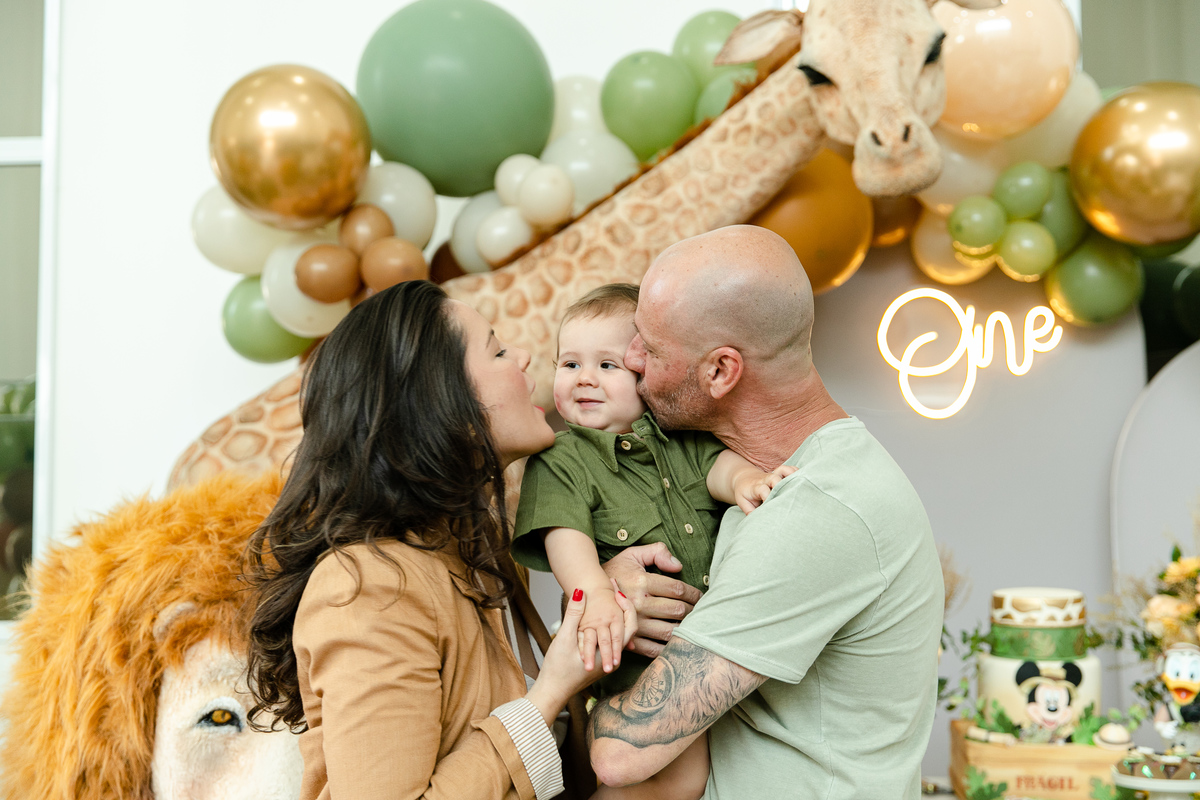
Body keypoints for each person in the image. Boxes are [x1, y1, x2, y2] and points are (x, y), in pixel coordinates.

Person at [588, 225, 945, 799]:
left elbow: (621, 753)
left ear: (720, 371)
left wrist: (596, 622)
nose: (629, 360)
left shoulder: (816, 508)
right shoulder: (751, 477)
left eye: (650, 349)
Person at [243, 279, 637, 800]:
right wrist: (551, 692)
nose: (524, 357)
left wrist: (606, 596)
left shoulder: (479, 551)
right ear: (439, 401)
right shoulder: (367, 587)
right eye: (497, 351)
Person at [511, 284, 791, 800]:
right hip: (640, 658)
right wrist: (596, 592)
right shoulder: (560, 459)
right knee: (672, 779)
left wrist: (747, 480)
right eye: (569, 364)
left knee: (712, 771)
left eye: (607, 365)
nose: (584, 378)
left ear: (646, 376)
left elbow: (718, 468)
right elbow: (564, 537)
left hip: (711, 649)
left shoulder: (681, 439)